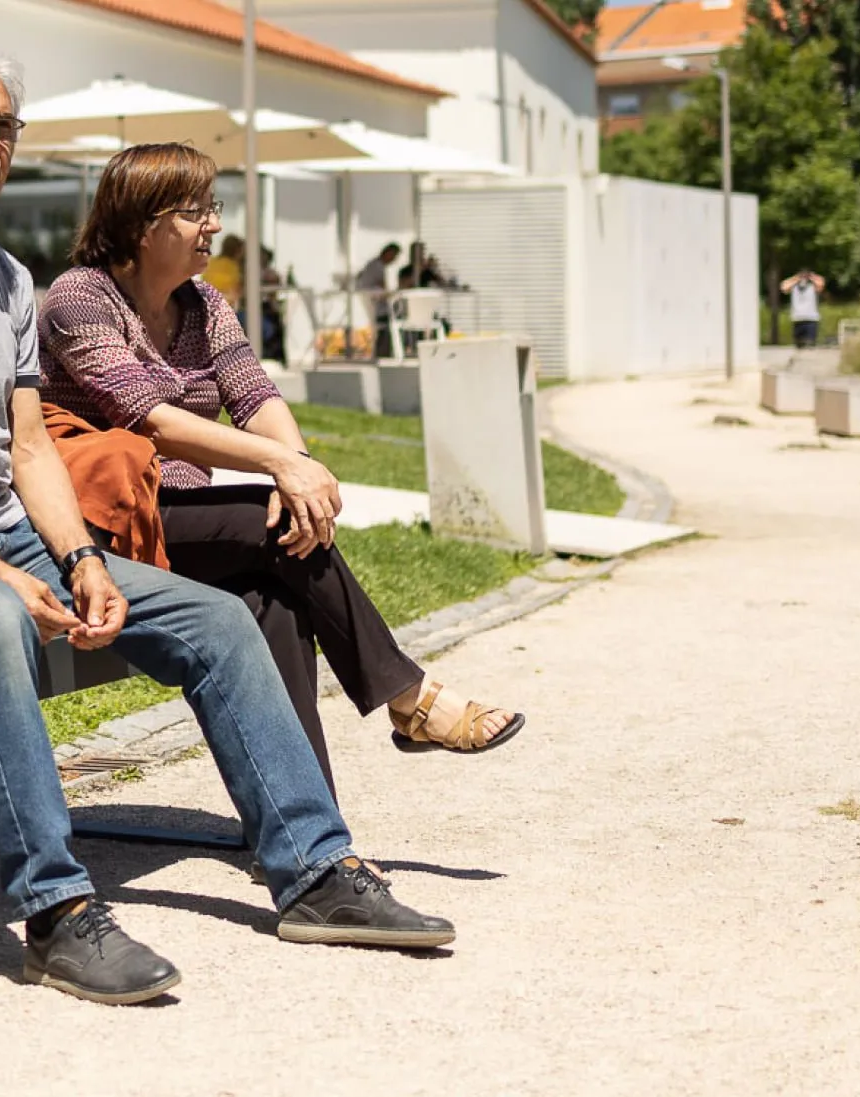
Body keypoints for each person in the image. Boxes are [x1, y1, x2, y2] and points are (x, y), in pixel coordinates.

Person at [0, 39, 456, 1006]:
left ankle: (315, 872)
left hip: (6, 532)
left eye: (3, 127)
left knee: (218, 617)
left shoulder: (7, 282)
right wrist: (0, 569)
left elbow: (30, 450)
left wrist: (79, 557)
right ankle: (59, 913)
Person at [39, 144, 524, 802]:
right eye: (194, 211)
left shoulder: (204, 305)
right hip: (100, 528)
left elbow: (255, 395)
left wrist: (298, 476)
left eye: (213, 207)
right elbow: (147, 417)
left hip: (182, 520)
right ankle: (410, 696)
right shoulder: (79, 298)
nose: (213, 224)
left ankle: (302, 827)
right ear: (142, 223)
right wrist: (278, 468)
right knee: (267, 534)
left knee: (278, 598)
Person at [355, 241, 402, 359]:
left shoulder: (373, 265)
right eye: (394, 256)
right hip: (377, 308)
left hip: (373, 306)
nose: (394, 260)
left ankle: (384, 351)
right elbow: (384, 289)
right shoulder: (378, 267)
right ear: (388, 253)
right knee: (396, 314)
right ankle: (386, 351)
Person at [782, 268, 824, 348]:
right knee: (798, 344)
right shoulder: (794, 286)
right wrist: (796, 278)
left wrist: (811, 276)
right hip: (797, 318)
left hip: (811, 319)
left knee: (810, 343)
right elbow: (784, 287)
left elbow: (821, 283)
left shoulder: (812, 286)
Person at [202, 232, 242, 308]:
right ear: (237, 250)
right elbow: (235, 292)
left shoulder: (212, 262)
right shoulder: (232, 266)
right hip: (224, 306)